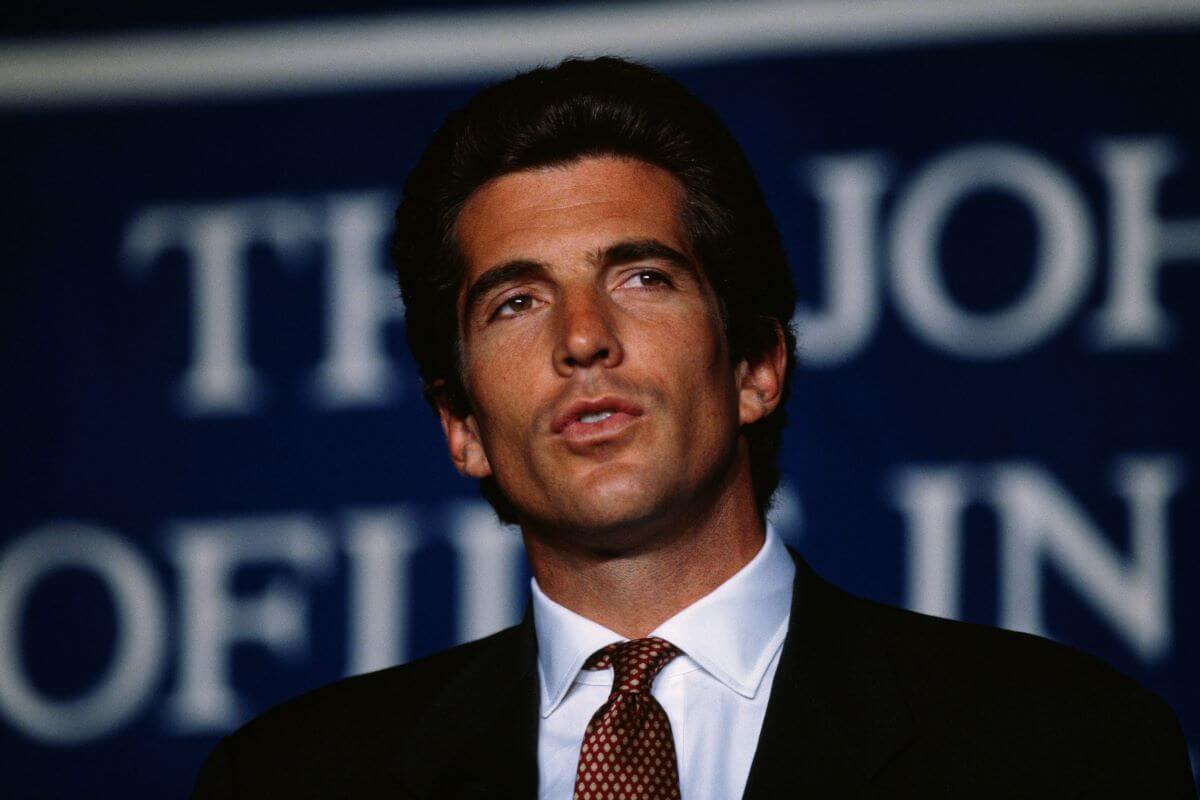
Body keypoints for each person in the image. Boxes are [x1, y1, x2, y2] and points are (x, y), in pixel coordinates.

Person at [191, 57, 1196, 800]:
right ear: (461, 425)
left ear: (757, 365)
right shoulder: (289, 778)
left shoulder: (1063, 749)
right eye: (516, 302)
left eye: (641, 277)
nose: (584, 337)